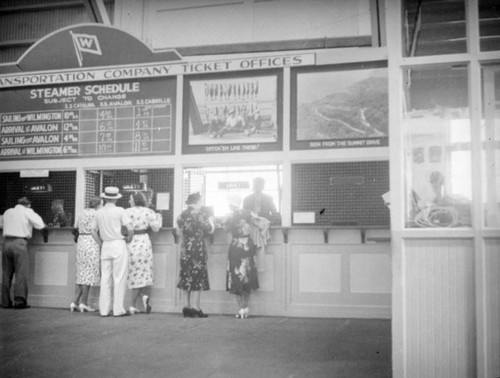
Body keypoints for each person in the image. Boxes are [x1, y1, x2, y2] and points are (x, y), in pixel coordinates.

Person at [91, 187, 134, 317]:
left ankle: (103, 310)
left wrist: (101, 243)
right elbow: (130, 228)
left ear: (104, 198)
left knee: (105, 278)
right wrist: (129, 239)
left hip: (106, 245)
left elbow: (93, 231)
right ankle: (118, 309)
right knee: (119, 277)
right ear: (116, 198)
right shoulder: (120, 211)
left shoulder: (98, 213)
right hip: (118, 244)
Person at [1, 197, 46, 309]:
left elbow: (1, 224)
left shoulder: (7, 212)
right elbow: (40, 225)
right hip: (20, 243)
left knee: (6, 274)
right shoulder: (28, 212)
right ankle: (20, 301)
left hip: (6, 243)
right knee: (21, 273)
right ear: (29, 205)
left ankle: (5, 302)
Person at [177, 192, 215, 318]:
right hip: (197, 247)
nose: (201, 204)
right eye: (200, 202)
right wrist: (211, 220)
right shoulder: (200, 215)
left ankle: (186, 306)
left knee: (186, 275)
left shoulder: (182, 215)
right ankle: (196, 307)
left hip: (185, 248)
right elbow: (209, 229)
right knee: (197, 276)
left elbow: (179, 227)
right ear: (196, 202)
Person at [125, 191, 162, 314]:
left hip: (130, 243)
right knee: (144, 271)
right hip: (144, 243)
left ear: (135, 200)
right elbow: (156, 228)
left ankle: (133, 304)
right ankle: (141, 298)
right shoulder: (148, 212)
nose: (129, 201)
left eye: (130, 199)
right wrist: (159, 217)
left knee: (133, 271)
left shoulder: (126, 212)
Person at [225, 196, 259, 319]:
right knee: (247, 274)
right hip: (248, 246)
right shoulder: (248, 213)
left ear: (230, 205)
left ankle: (240, 309)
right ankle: (245, 307)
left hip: (235, 246)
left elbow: (226, 228)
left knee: (236, 275)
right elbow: (260, 222)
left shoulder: (229, 216)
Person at [70, 197, 102, 313]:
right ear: (98, 204)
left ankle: (74, 302)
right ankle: (84, 302)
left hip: (81, 241)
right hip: (92, 241)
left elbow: (75, 227)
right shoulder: (97, 213)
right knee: (88, 275)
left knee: (82, 273)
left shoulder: (82, 212)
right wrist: (101, 244)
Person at [242, 177, 280, 271]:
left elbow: (276, 215)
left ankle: (258, 269)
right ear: (253, 186)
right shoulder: (247, 199)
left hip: (262, 229)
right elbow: (243, 215)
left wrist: (264, 221)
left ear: (263, 186)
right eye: (255, 185)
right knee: (249, 255)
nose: (257, 187)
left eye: (259, 185)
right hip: (250, 231)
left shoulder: (268, 199)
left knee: (259, 254)